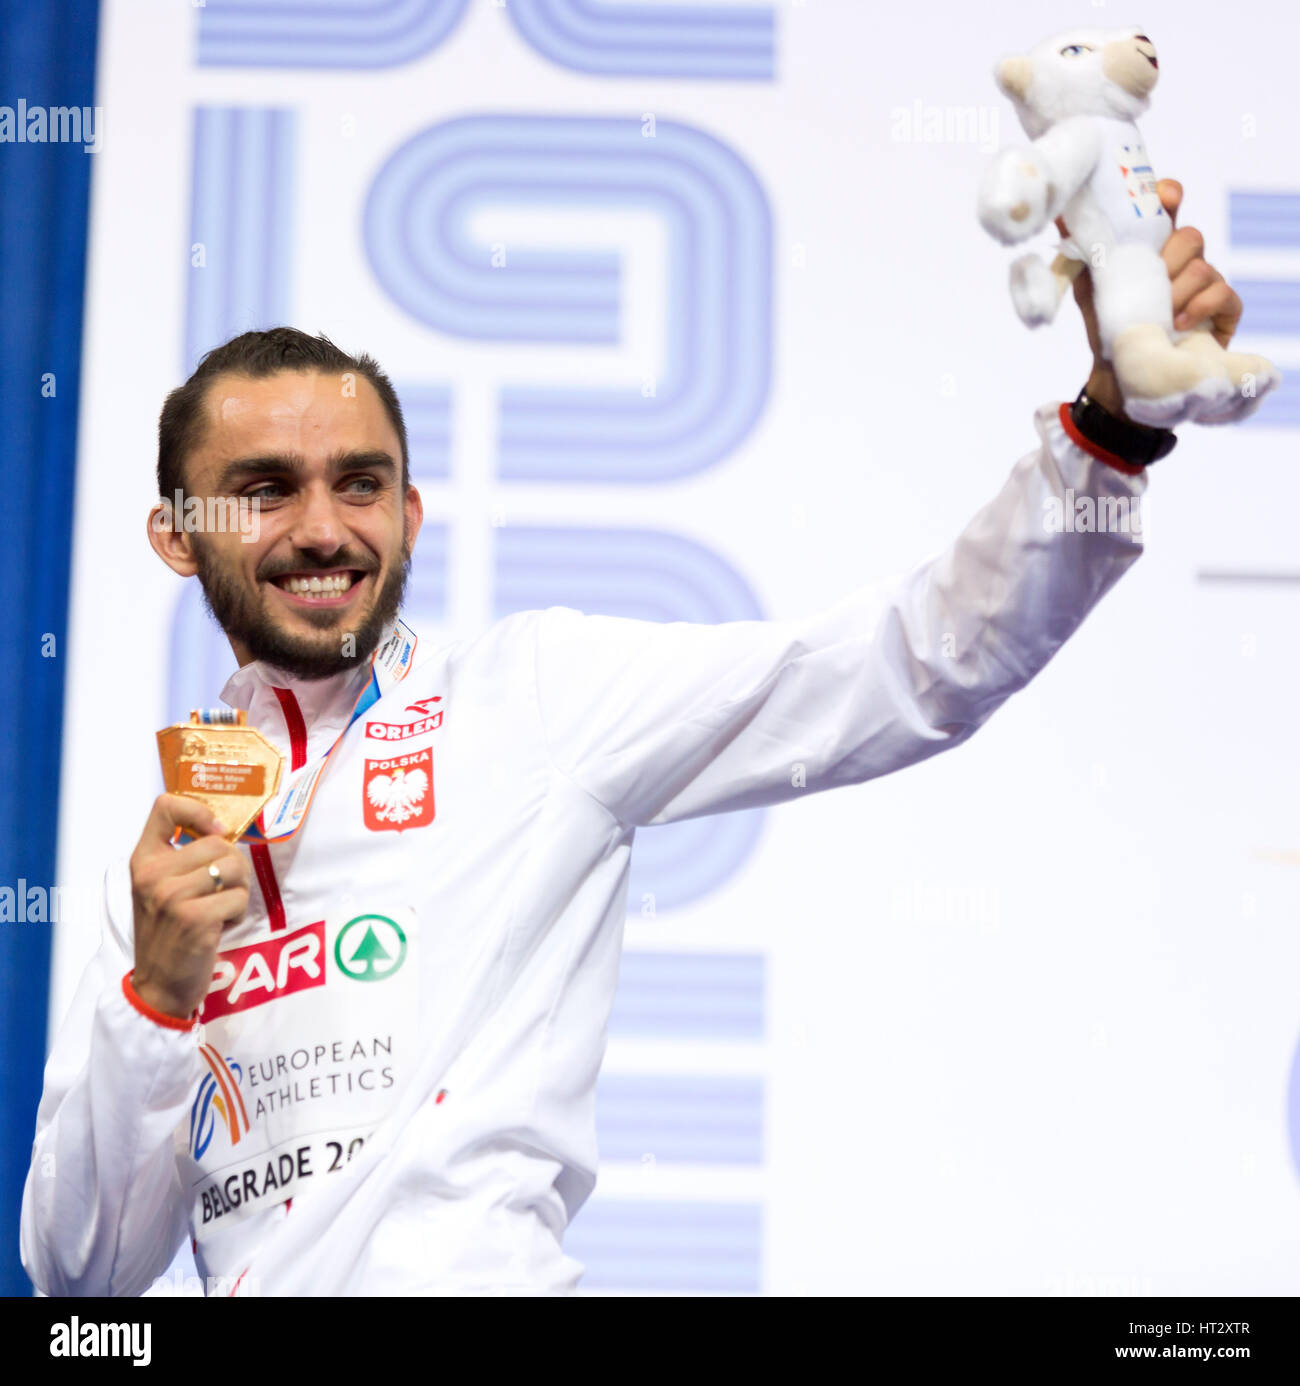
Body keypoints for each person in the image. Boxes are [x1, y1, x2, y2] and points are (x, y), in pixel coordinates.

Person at [20, 180, 1244, 1296]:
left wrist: (1109, 433)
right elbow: (80, 1285)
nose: (324, 526)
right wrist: (158, 996)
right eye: (265, 488)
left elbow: (915, 661)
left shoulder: (531, 699)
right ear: (177, 535)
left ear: (410, 513)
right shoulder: (172, 858)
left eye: (360, 483)